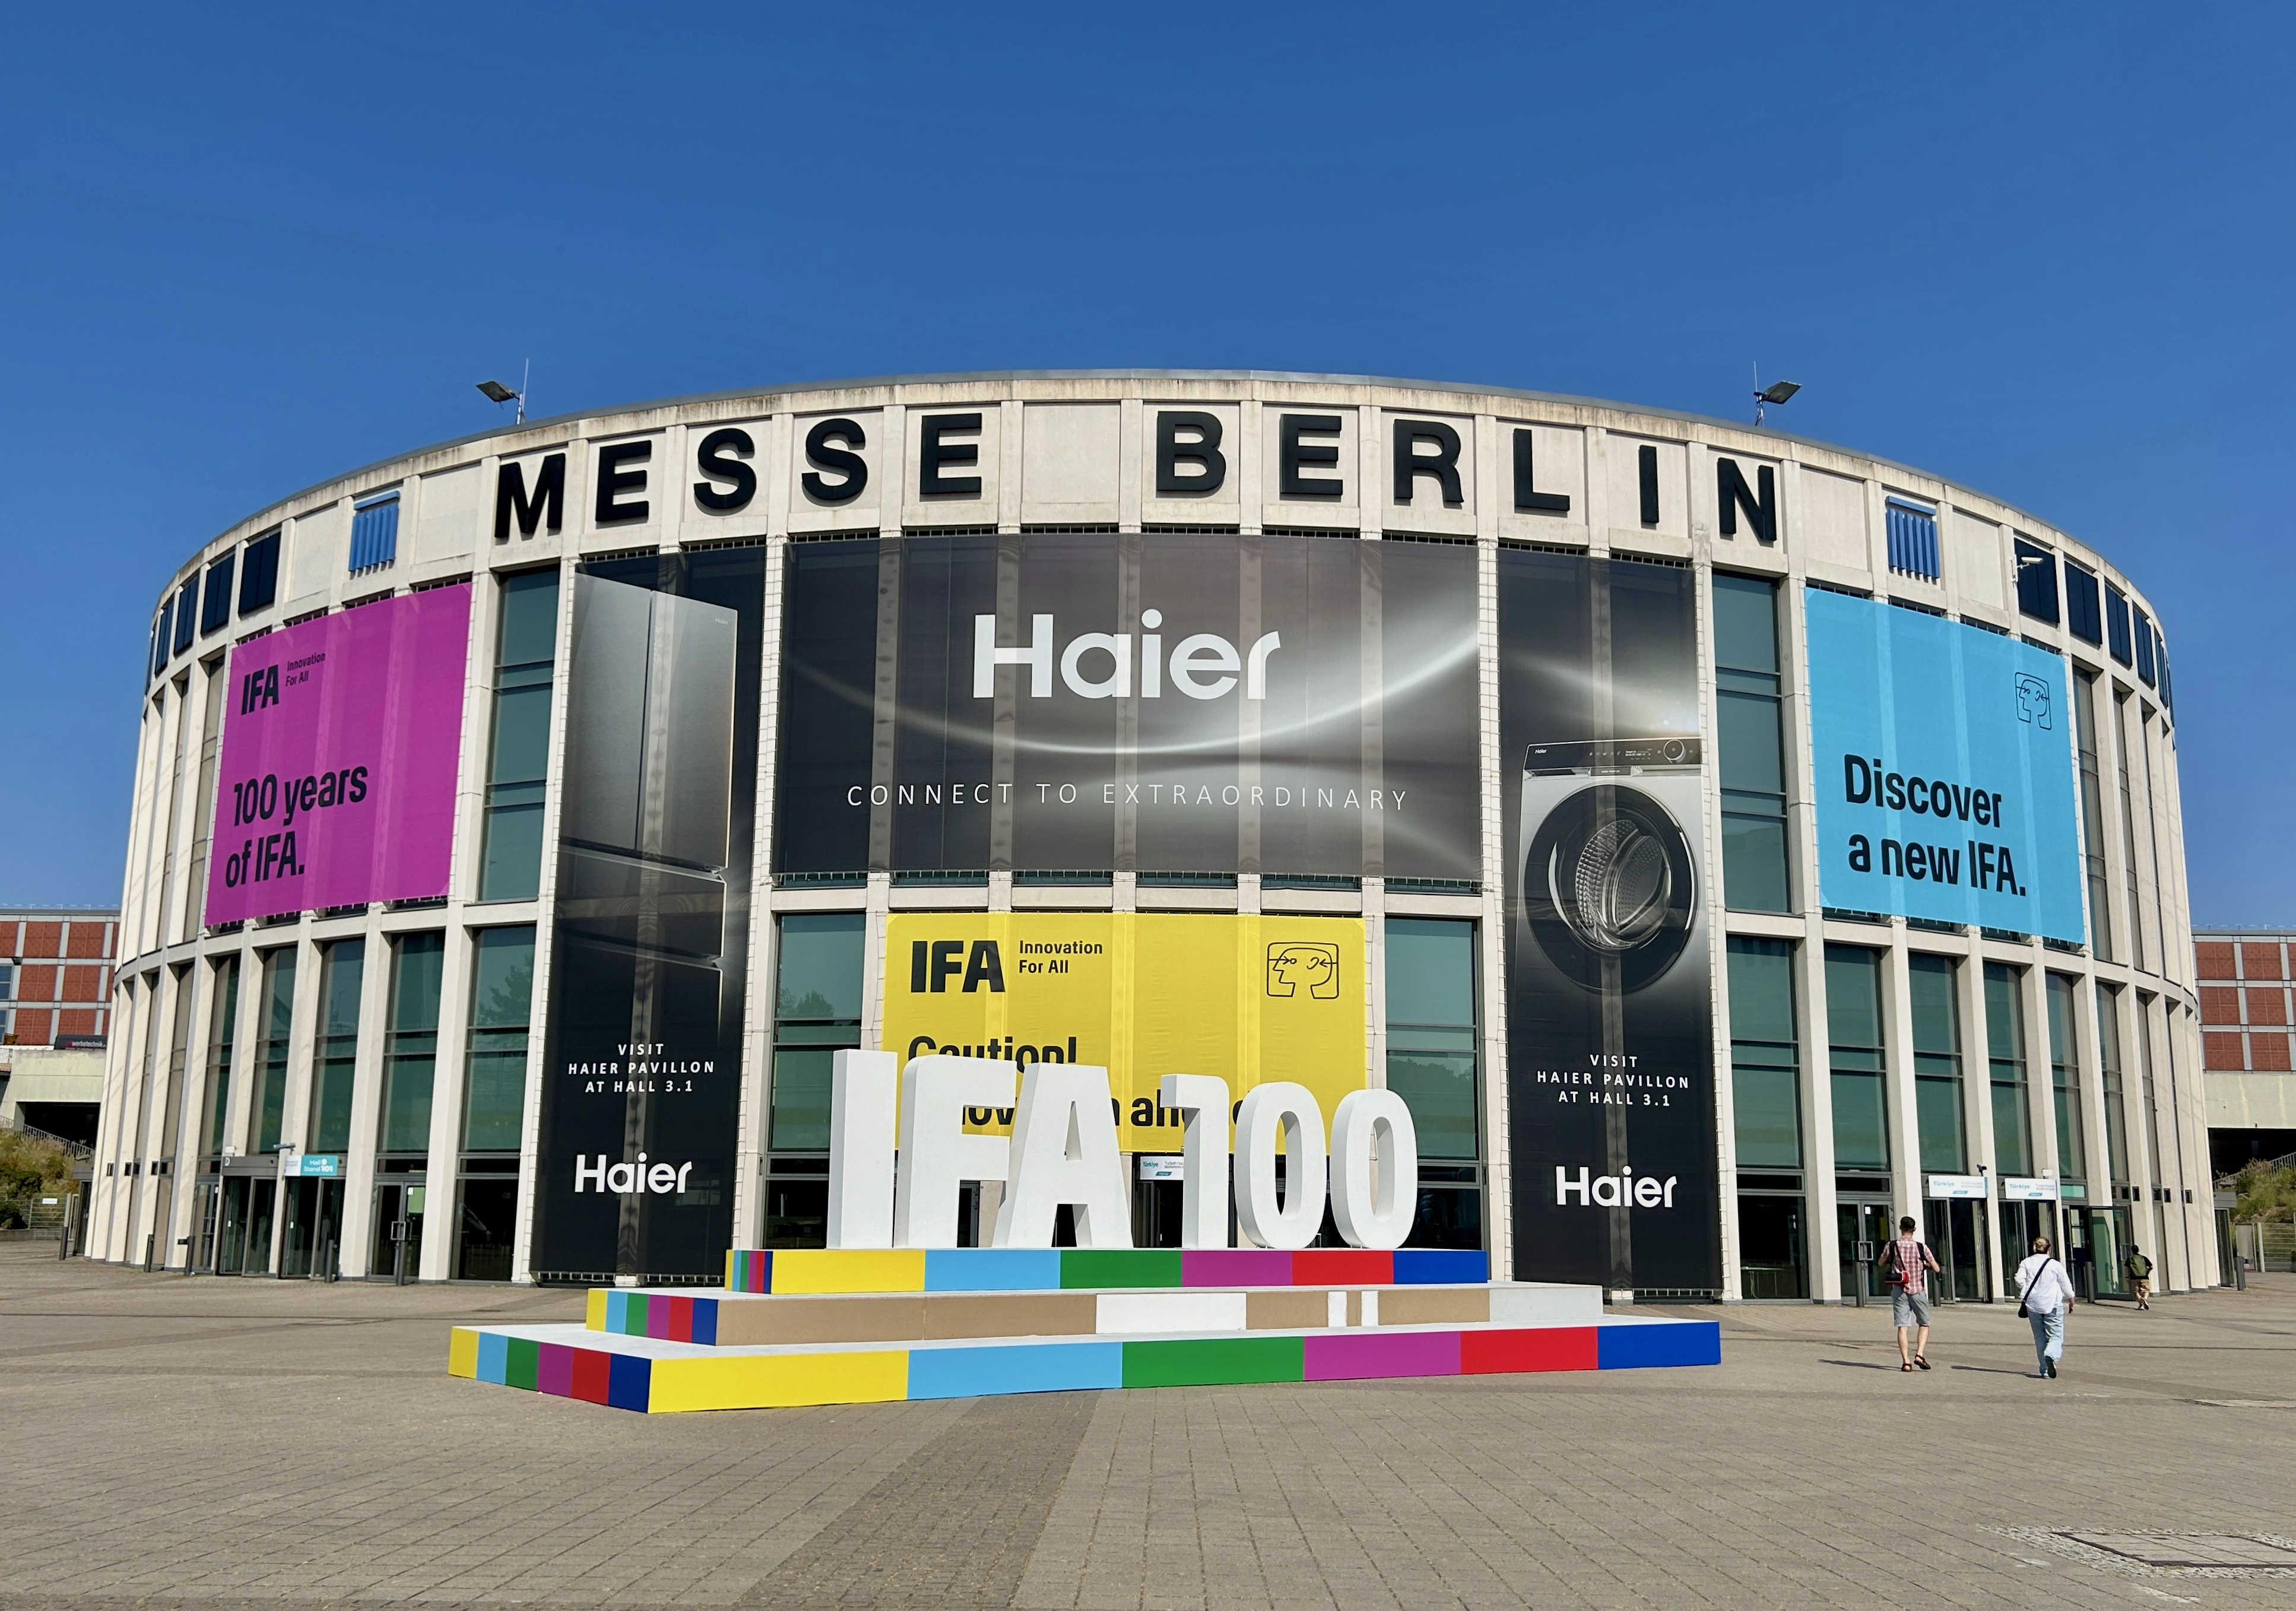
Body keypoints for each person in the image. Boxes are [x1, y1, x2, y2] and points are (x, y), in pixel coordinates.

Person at [1878, 1214, 1941, 1372]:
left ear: (1900, 1228)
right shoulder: (1921, 1247)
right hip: (1918, 1291)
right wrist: (1924, 1265)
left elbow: (1880, 1263)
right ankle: (1919, 1354)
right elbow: (1937, 1268)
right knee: (1924, 1323)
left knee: (1902, 1326)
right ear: (1914, 1229)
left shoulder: (1891, 1246)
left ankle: (1906, 1362)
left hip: (1899, 1291)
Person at [2016, 1235, 2078, 1378]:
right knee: (2056, 1336)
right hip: (2053, 1304)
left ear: (2034, 1248)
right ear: (2049, 1249)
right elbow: (2065, 1284)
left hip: (2032, 1305)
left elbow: (2019, 1279)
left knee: (2039, 1337)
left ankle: (2044, 1369)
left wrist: (2026, 1290)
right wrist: (2071, 1299)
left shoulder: (2026, 1262)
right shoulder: (2055, 1265)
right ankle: (2051, 1355)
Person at [2126, 1245, 2154, 1309]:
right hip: (2144, 1277)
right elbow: (2151, 1267)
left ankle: (2141, 1304)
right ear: (2138, 1250)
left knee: (2136, 1291)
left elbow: (2127, 1268)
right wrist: (2147, 1272)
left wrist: (2127, 1277)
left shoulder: (2130, 1259)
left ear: (2132, 1251)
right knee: (2146, 1290)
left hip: (2134, 1277)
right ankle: (2145, 1299)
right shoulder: (2144, 1258)